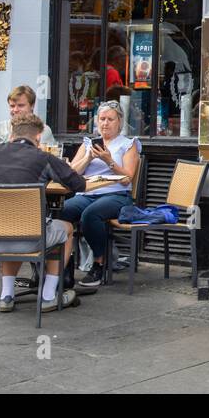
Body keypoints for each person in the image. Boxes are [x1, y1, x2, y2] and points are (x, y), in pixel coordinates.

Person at [0, 114, 84, 312]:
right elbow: (78, 184)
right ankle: (48, 295)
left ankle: (6, 296)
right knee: (65, 230)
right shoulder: (43, 157)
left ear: (11, 134)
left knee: (12, 224)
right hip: (29, 239)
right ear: (38, 137)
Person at [61, 100, 140, 292]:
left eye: (110, 119)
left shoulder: (128, 145)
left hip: (117, 195)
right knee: (62, 211)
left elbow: (127, 178)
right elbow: (72, 173)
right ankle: (63, 264)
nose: (105, 123)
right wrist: (88, 157)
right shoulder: (88, 143)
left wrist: (108, 160)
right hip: (88, 193)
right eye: (102, 119)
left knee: (91, 214)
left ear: (119, 122)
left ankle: (99, 263)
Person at [0, 84, 56, 149]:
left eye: (20, 105)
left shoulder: (42, 130)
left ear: (32, 106)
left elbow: (42, 156)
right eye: (12, 106)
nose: (15, 110)